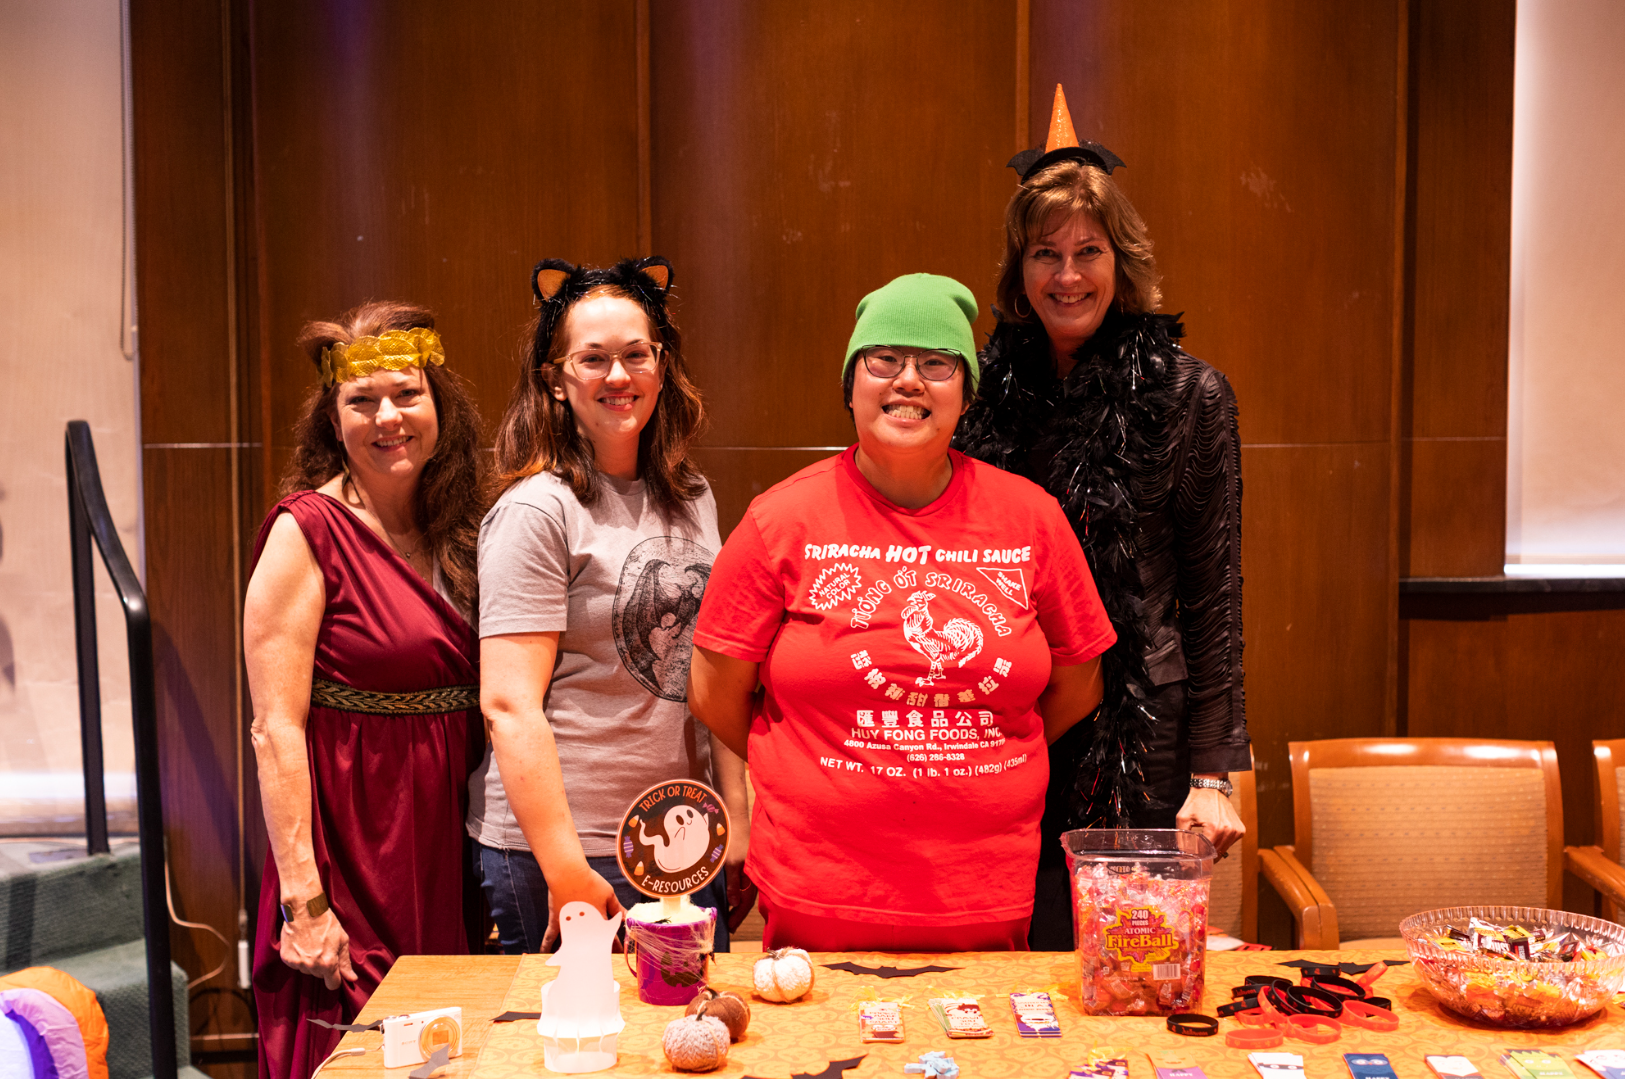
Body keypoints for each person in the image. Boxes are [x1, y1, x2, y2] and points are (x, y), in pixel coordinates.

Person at [688, 273, 1117, 952]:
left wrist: (972, 758)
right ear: (851, 384)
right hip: (818, 894)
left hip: (984, 895)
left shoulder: (1030, 517)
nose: (907, 380)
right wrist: (815, 766)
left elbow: (1079, 681)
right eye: (883, 359)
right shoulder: (781, 520)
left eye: (935, 363)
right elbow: (715, 691)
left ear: (966, 393)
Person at [955, 86, 1250, 949]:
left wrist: (1213, 772)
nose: (1068, 274)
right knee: (1022, 948)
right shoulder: (979, 396)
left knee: (1132, 958)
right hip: (1011, 719)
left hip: (1143, 734)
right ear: (1019, 271)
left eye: (1088, 250)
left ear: (1121, 261)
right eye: (1045, 253)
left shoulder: (1190, 395)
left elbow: (1212, 590)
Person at [468, 256, 739, 953]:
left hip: (680, 839)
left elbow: (714, 665)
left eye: (634, 355)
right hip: (565, 851)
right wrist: (564, 870)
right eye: (592, 359)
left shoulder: (692, 494)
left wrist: (735, 815)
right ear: (555, 381)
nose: (617, 377)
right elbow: (508, 704)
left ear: (660, 366)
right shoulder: (536, 510)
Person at [245, 303, 486, 1078]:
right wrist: (304, 904)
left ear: (439, 404)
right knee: (359, 1050)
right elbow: (274, 729)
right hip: (354, 841)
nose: (389, 417)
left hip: (454, 834)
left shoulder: (469, 527)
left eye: (407, 394)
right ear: (332, 417)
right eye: (362, 401)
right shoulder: (304, 531)